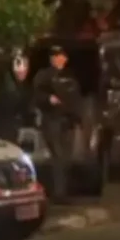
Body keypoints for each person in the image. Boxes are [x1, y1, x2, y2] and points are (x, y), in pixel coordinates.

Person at [32, 45, 79, 203]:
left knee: (66, 157)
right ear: (53, 58)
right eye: (59, 56)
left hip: (66, 121)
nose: (63, 59)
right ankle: (59, 194)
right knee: (58, 156)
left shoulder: (69, 75)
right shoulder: (44, 75)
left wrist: (76, 118)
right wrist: (48, 99)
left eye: (63, 56)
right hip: (52, 120)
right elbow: (37, 95)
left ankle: (63, 191)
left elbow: (74, 97)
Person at [0, 48, 32, 145]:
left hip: (10, 127)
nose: (24, 71)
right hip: (6, 127)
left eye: (26, 67)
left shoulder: (19, 85)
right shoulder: (8, 87)